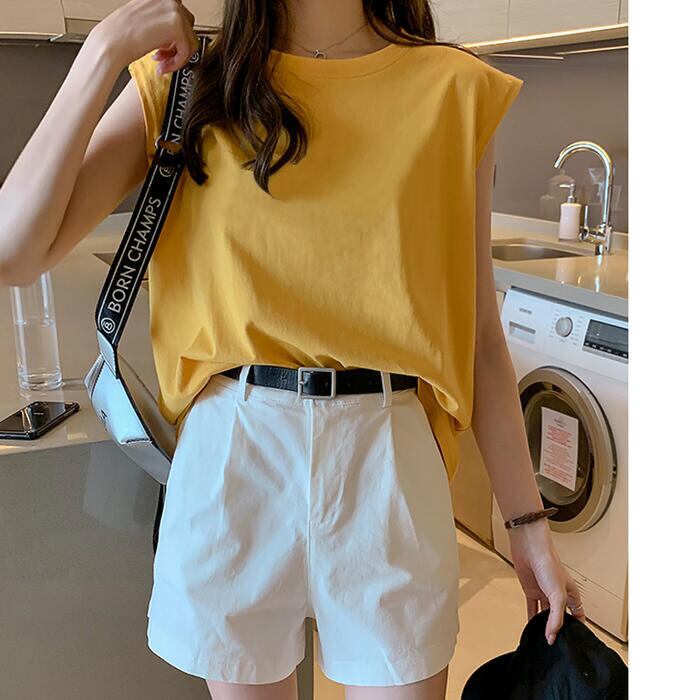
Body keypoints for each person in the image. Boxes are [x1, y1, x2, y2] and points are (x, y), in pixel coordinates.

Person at [0, 1, 586, 698]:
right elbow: (13, 250)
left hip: (389, 458)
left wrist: (527, 526)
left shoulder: (453, 89)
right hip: (232, 451)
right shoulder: (192, 83)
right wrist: (104, 49)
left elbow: (482, 336)